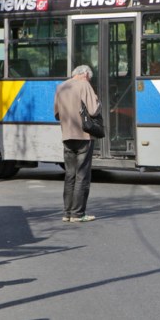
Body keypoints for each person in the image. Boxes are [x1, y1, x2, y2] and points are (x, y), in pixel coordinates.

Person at [54, 65, 100, 223]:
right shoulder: (84, 85)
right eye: (90, 77)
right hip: (83, 136)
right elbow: (94, 111)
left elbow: (56, 113)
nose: (89, 79)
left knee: (70, 175)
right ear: (85, 74)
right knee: (82, 176)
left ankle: (67, 213)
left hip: (67, 136)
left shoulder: (61, 86)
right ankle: (78, 214)